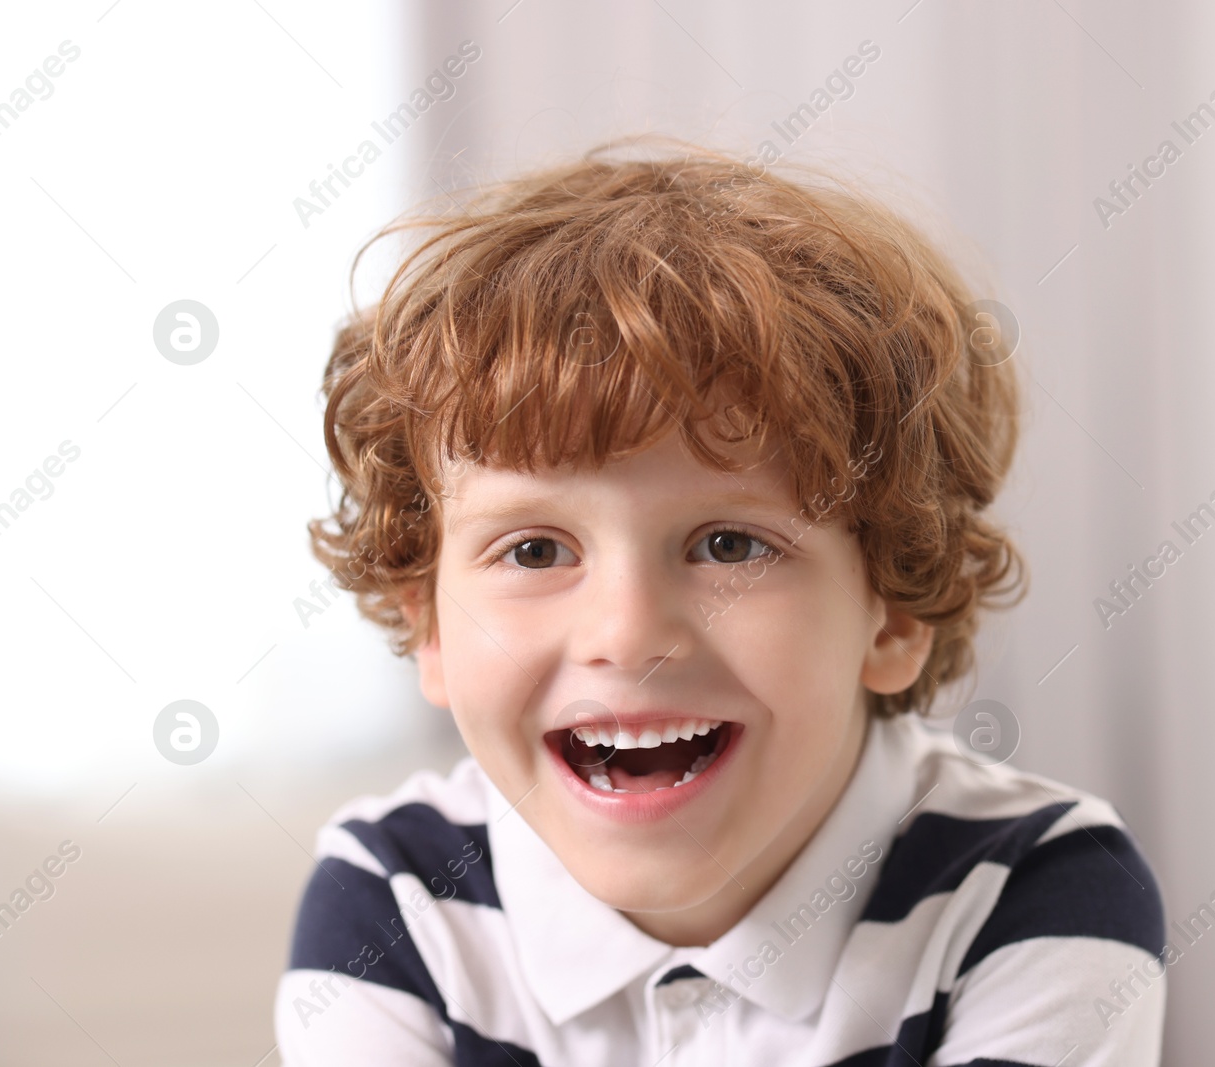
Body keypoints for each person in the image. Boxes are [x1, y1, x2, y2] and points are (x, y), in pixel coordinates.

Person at [275, 140, 1166, 1066]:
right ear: (427, 624)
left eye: (730, 545)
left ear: (894, 609)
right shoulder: (396, 901)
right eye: (535, 549)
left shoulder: (1032, 889)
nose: (626, 634)